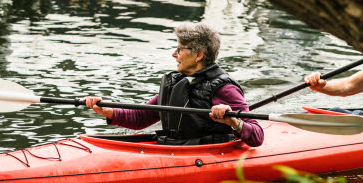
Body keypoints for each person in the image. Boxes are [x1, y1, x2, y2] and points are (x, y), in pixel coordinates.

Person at [83, 22, 264, 146]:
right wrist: (105, 110)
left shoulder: (225, 88)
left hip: (206, 154)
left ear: (198, 55)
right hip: (173, 147)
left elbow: (257, 135)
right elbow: (141, 118)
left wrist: (234, 122)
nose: (174, 54)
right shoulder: (176, 82)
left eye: (179, 49)